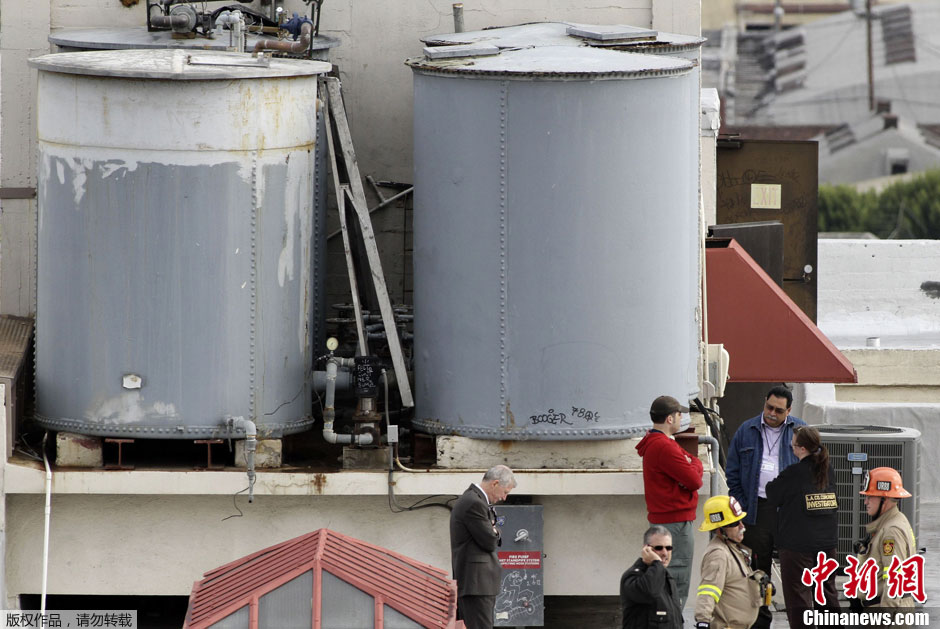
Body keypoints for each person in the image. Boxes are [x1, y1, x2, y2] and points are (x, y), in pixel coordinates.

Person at [726, 385, 806, 629]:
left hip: (788, 514)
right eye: (769, 407)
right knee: (757, 573)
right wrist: (744, 506)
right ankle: (759, 624)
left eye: (778, 410)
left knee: (795, 572)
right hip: (757, 512)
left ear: (789, 411)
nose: (772, 413)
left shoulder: (800, 430)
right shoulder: (746, 430)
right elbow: (733, 472)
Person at [765, 425, 840, 628]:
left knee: (799, 599)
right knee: (826, 594)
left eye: (793, 446)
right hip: (827, 545)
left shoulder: (795, 473)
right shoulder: (828, 470)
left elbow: (772, 493)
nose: (792, 448)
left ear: (801, 448)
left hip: (797, 548)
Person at [637, 395, 705, 607]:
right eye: (678, 414)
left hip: (663, 522)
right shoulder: (665, 447)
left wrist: (690, 464)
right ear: (669, 418)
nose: (680, 418)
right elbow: (694, 480)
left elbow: (691, 466)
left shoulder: (655, 443)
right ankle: (672, 621)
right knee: (676, 579)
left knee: (664, 577)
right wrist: (692, 465)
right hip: (675, 525)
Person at [450, 464, 516, 629]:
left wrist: (494, 529)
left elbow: (490, 535)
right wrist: (495, 531)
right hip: (477, 583)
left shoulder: (473, 499)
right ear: (495, 484)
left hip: (476, 582)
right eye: (505, 492)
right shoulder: (474, 503)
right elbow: (489, 542)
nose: (504, 497)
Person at [694, 495, 766, 629]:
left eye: (740, 520)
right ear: (719, 529)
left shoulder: (733, 548)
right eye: (734, 523)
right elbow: (708, 590)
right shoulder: (718, 555)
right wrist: (703, 621)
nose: (742, 526)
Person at [851, 466, 916, 612]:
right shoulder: (891, 522)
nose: (865, 502)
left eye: (869, 497)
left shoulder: (891, 532)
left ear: (884, 499)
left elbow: (894, 579)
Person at [620, 525, 683, 629]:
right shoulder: (633, 577)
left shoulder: (667, 578)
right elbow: (650, 592)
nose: (665, 553)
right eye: (659, 548)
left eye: (668, 548)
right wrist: (656, 562)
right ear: (646, 549)